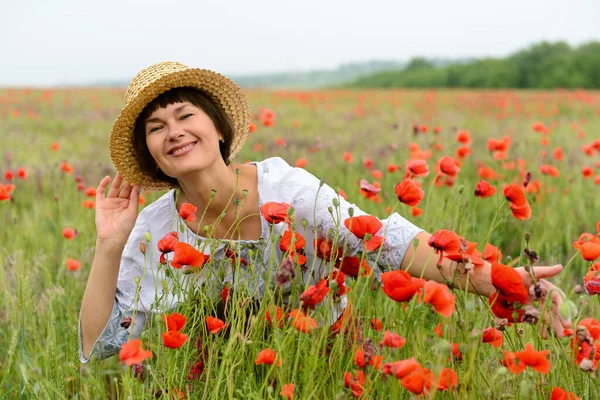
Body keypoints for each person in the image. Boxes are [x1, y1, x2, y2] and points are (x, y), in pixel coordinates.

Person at [79, 61, 571, 363]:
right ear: (151, 154)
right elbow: (101, 346)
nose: (174, 132)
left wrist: (505, 282)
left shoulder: (286, 189)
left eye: (186, 115)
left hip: (327, 358)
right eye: (156, 127)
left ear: (219, 128)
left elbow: (391, 244)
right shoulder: (154, 229)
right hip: (220, 378)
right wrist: (108, 245)